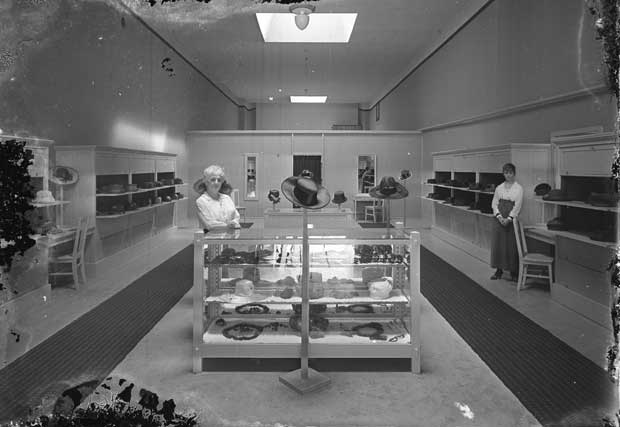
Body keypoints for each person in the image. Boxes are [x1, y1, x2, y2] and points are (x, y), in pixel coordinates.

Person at [490, 163, 523, 281]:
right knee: (498, 244)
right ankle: (498, 271)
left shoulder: (518, 188)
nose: (508, 175)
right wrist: (499, 217)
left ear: (514, 174)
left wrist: (509, 219)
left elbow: (517, 206)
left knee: (511, 245)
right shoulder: (499, 188)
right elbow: (494, 203)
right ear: (503, 174)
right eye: (506, 172)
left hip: (511, 220)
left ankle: (513, 272)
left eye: (510, 172)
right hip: (499, 219)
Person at [196, 165, 240, 231]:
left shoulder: (227, 198)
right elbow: (209, 225)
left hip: (230, 237)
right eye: (213, 179)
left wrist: (233, 223)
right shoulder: (201, 201)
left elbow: (236, 217)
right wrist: (228, 225)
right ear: (206, 182)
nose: (216, 182)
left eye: (219, 180)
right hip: (211, 238)